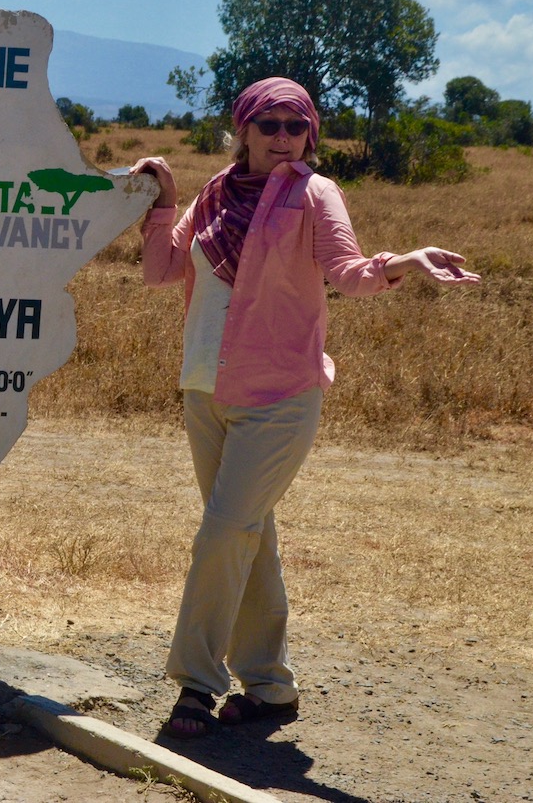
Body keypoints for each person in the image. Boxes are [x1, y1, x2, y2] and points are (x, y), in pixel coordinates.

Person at [130, 77, 479, 739]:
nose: (284, 137)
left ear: (310, 135)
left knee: (223, 532)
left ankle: (195, 686)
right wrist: (164, 201)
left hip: (280, 397)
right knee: (247, 538)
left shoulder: (314, 194)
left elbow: (347, 270)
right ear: (245, 130)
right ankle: (270, 687)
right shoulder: (211, 196)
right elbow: (160, 270)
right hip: (205, 390)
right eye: (271, 125)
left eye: (297, 126)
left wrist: (403, 260)